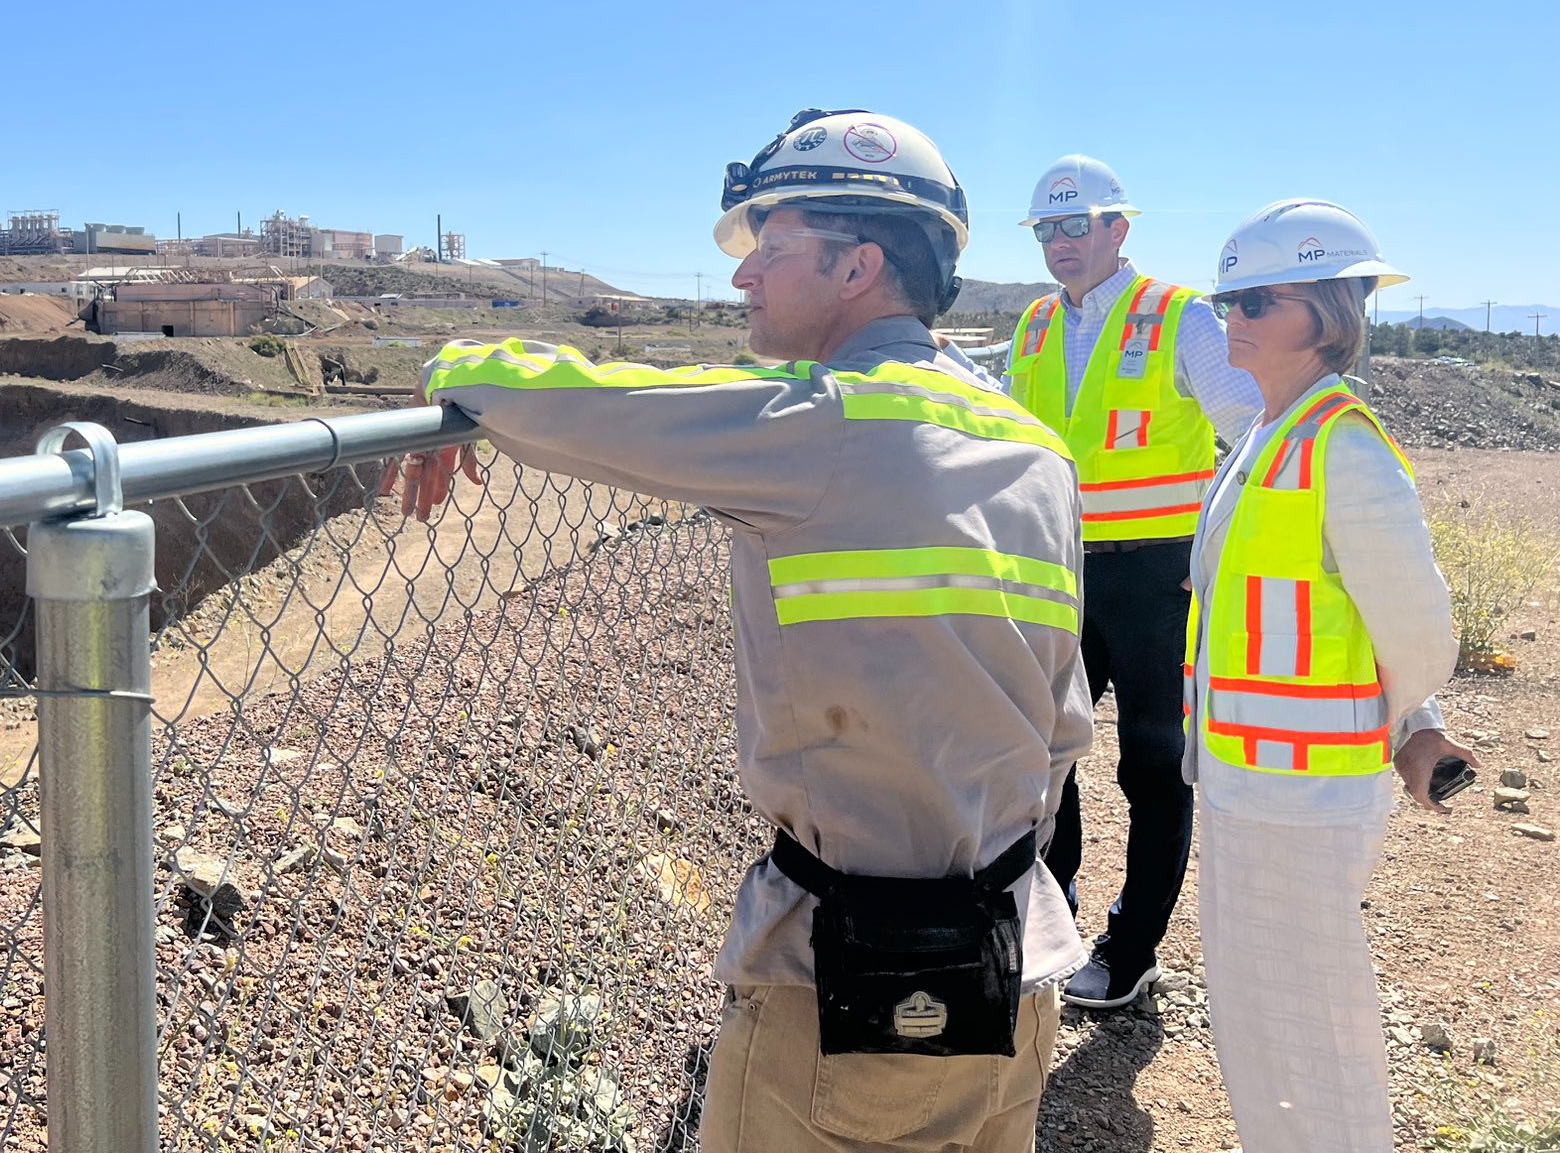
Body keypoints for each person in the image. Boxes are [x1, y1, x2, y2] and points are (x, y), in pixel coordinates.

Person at [388, 109, 1092, 1152]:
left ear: (857, 267)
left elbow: (602, 404)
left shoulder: (826, 423)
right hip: (1018, 958)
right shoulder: (1035, 451)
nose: (740, 278)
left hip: (856, 994)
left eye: (769, 247)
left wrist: (455, 364)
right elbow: (1062, 725)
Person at [1187, 198, 1475, 1151]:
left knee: (1309, 1016)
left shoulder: (1343, 449)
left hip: (1302, 791)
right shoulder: (1269, 436)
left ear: (1328, 313)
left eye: (1258, 300)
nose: (1234, 317)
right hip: (1245, 779)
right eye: (1229, 297)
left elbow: (1417, 630)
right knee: (1256, 1002)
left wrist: (1399, 719)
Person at [1002, 155, 1263, 1008]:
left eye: (1074, 225)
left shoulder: (1182, 318)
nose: (1058, 243)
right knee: (1044, 756)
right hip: (1058, 569)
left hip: (1158, 580)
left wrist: (1224, 555)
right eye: (1046, 229)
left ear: (1120, 228)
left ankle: (1132, 947)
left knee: (1153, 766)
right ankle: (1054, 922)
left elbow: (1254, 436)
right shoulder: (1035, 325)